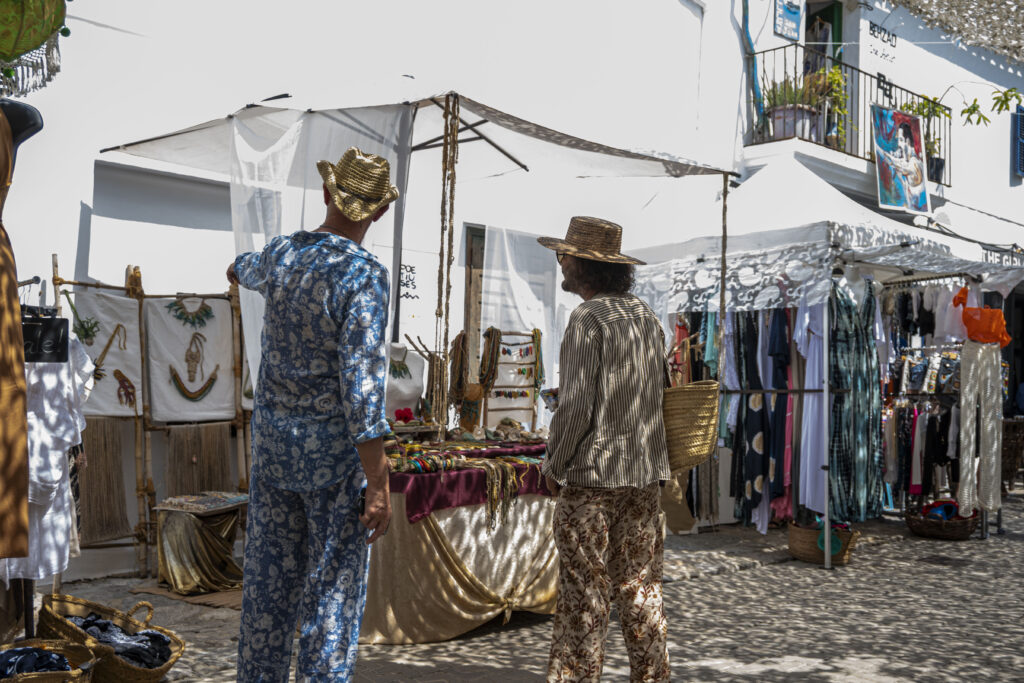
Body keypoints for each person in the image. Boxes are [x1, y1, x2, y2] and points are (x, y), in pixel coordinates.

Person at [227, 146, 397, 682]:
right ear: (379, 212)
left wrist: (243, 271)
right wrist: (379, 482)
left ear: (327, 193)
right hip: (331, 465)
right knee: (330, 600)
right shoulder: (363, 275)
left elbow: (239, 268)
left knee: (267, 592)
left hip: (274, 452)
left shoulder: (282, 254)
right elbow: (362, 389)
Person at [537, 216, 671, 682]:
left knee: (584, 597)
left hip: (593, 480)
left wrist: (553, 464)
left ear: (585, 265)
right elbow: (660, 394)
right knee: (641, 591)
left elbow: (576, 406)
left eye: (565, 256)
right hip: (643, 475)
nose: (561, 263)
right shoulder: (646, 317)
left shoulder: (588, 318)